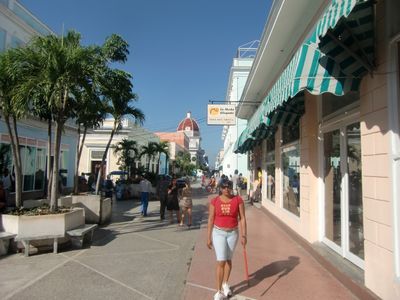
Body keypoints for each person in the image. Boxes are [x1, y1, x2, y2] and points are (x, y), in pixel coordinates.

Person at [207, 180, 247, 300]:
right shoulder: (215, 201)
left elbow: (243, 218)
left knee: (228, 260)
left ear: (231, 187)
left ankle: (225, 284)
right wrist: (208, 237)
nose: (226, 189)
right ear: (220, 188)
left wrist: (244, 235)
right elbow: (210, 219)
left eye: (228, 187)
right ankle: (218, 291)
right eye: (224, 187)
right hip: (218, 233)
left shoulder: (238, 200)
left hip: (233, 233)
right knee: (221, 261)